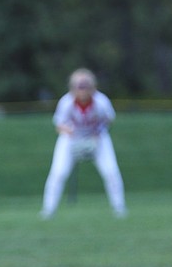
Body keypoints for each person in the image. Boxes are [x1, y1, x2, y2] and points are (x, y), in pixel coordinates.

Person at [40, 68, 127, 219]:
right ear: (72, 87)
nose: (82, 90)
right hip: (71, 139)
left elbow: (109, 119)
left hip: (97, 138)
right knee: (58, 173)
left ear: (92, 86)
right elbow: (59, 125)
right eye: (79, 86)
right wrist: (73, 134)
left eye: (85, 85)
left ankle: (119, 208)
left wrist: (96, 134)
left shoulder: (101, 101)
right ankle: (48, 210)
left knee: (111, 172)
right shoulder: (66, 102)